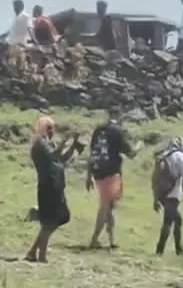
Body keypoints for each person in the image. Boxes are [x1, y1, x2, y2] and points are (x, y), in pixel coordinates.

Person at [27, 117, 82, 263]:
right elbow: (53, 156)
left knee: (60, 217)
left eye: (52, 128)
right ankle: (41, 256)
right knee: (50, 221)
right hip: (48, 186)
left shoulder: (49, 144)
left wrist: (73, 145)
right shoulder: (40, 143)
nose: (52, 131)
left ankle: (33, 252)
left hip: (56, 186)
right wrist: (66, 141)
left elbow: (62, 159)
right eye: (49, 128)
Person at [86, 107, 136, 249]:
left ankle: (112, 239)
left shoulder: (98, 130)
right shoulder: (118, 132)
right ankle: (94, 239)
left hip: (98, 171)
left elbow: (92, 153)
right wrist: (138, 148)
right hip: (111, 172)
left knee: (110, 207)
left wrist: (88, 176)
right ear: (119, 115)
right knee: (106, 206)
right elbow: (130, 153)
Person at [151, 137, 183, 257]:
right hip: (172, 193)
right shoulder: (179, 156)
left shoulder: (163, 156)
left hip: (162, 193)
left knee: (177, 220)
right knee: (169, 221)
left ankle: (178, 250)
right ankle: (160, 250)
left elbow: (155, 179)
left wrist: (156, 198)